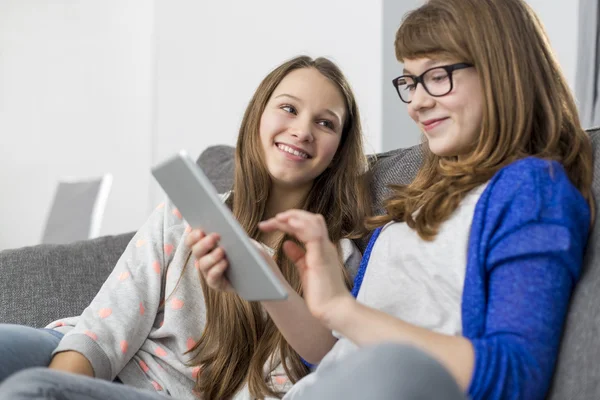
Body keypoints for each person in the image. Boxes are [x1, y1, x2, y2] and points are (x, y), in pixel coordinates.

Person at [0, 55, 370, 400]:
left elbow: (305, 373)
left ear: (339, 147)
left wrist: (269, 285)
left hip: (158, 392)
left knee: (33, 389)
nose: (303, 130)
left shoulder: (331, 259)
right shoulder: (183, 214)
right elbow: (104, 327)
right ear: (259, 115)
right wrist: (63, 384)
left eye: (325, 123)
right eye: (289, 108)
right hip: (87, 352)